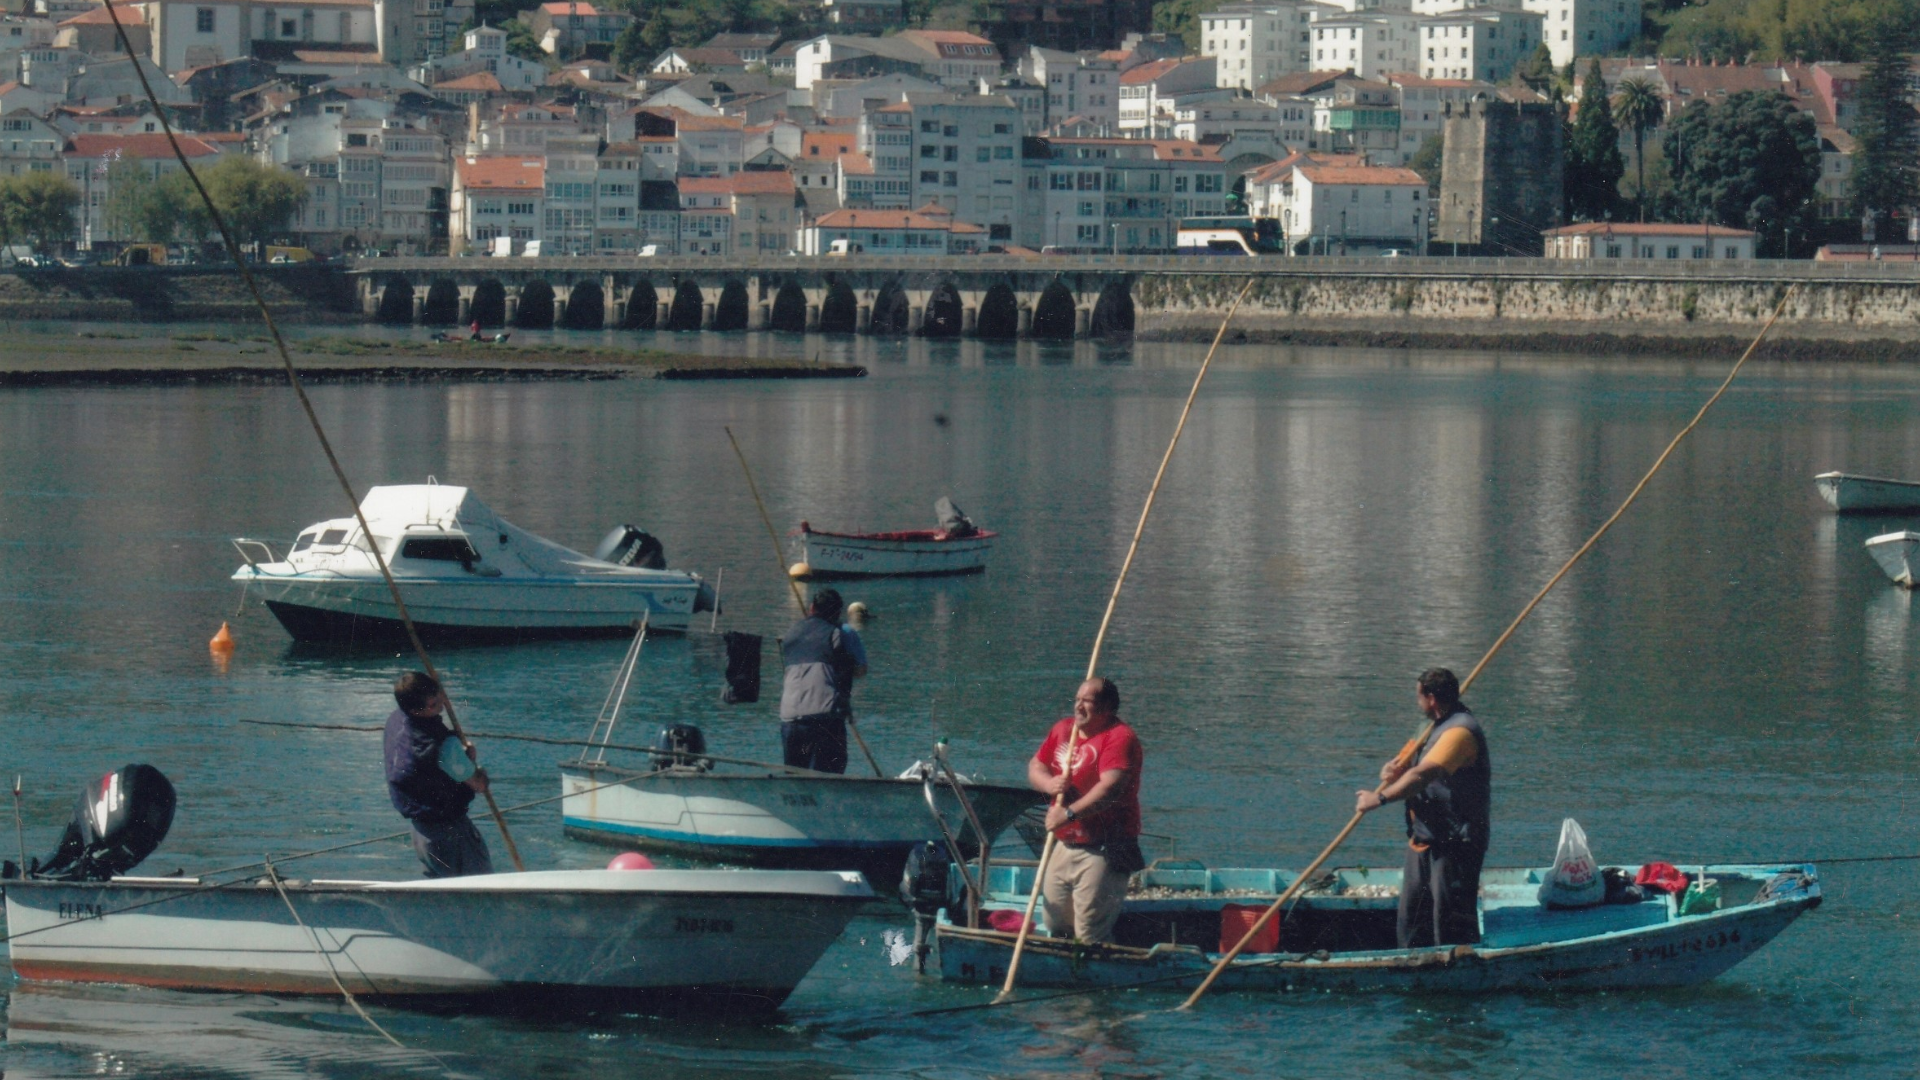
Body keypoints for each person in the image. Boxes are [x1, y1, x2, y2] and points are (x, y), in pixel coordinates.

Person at [1354, 667, 1491, 949]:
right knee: (1412, 919)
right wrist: (1390, 770)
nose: (1417, 702)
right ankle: (1413, 971)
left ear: (1431, 698)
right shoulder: (1428, 726)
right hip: (1424, 837)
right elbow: (1406, 764)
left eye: (1419, 697)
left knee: (1449, 921)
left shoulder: (1460, 732)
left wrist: (1378, 800)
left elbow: (1422, 775)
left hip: (1455, 843)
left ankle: (1457, 978)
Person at [1026, 677, 1144, 944]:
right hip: (1065, 842)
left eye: (1087, 702)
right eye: (1077, 700)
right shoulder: (1063, 729)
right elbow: (1036, 765)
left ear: (1107, 708)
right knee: (1055, 922)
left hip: (1105, 846)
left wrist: (1068, 814)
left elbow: (1110, 790)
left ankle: (1098, 976)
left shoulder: (1119, 738)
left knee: (1089, 931)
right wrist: (1049, 783)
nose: (1078, 707)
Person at [384, 672, 493, 878]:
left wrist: (460, 760)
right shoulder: (444, 747)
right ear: (415, 710)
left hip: (421, 836)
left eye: (439, 696)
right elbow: (479, 784)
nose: (441, 705)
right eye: (434, 705)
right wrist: (470, 762)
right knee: (479, 893)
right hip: (450, 835)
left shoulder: (396, 720)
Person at [777, 589, 866, 773]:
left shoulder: (791, 633)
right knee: (830, 776)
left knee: (795, 779)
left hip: (789, 718)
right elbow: (860, 670)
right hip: (824, 717)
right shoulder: (840, 632)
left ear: (811, 608)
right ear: (837, 613)